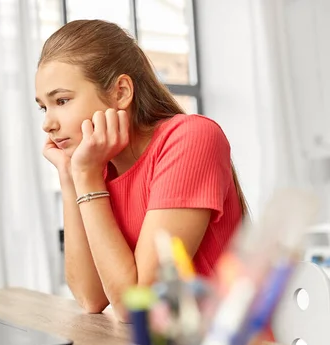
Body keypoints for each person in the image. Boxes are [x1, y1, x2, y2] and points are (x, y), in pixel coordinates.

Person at [34, 19, 247, 323]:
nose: (48, 124)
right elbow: (90, 297)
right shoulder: (96, 167)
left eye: (62, 100)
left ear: (120, 92)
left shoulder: (191, 139)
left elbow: (137, 307)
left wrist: (87, 177)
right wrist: (70, 177)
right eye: (44, 107)